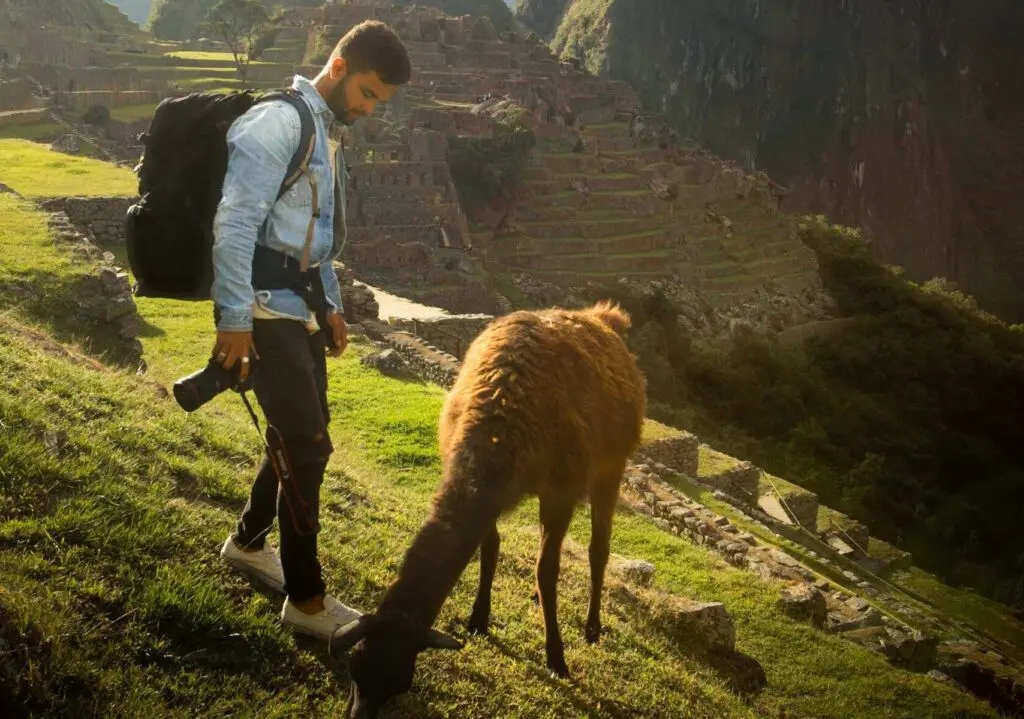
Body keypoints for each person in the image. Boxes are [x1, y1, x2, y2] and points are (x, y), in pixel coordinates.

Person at [212, 20, 411, 642]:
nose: (370, 109)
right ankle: (306, 598)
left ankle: (248, 542)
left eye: (380, 101)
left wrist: (330, 305)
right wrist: (234, 322)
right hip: (263, 310)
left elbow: (314, 238)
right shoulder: (278, 124)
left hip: (299, 309)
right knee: (308, 447)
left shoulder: (325, 133)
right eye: (368, 93)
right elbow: (234, 226)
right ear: (338, 66)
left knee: (296, 433)